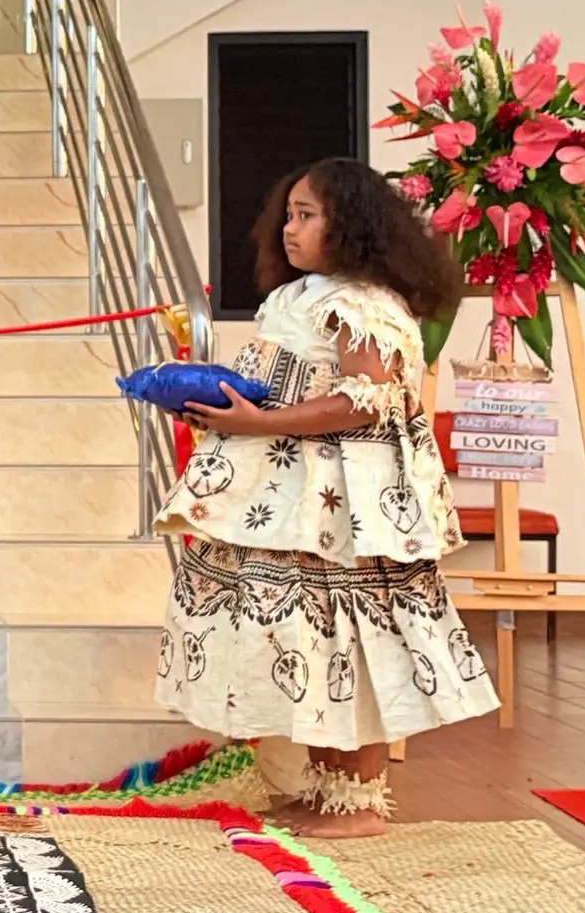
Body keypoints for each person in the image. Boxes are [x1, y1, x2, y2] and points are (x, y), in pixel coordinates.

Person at [153, 158, 498, 837]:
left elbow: (363, 401)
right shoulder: (297, 297)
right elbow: (286, 381)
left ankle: (362, 799)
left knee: (351, 633)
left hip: (349, 504)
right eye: (289, 214)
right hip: (292, 493)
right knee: (308, 635)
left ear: (352, 227)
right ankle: (327, 789)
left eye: (307, 215)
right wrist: (224, 407)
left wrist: (259, 423)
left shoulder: (361, 303)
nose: (290, 227)